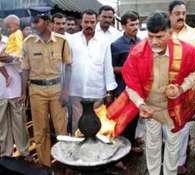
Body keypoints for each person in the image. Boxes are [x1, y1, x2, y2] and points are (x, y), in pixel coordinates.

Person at [108, 12, 195, 175]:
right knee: (152, 145)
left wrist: (181, 89)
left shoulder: (187, 51)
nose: (154, 42)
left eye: (159, 37)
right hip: (150, 108)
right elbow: (131, 85)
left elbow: (192, 75)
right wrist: (141, 104)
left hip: (175, 107)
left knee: (173, 146)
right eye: (150, 36)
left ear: (170, 33)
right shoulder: (137, 53)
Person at [21, 13, 72, 167]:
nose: (33, 25)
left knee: (61, 129)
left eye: (37, 21)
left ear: (48, 22)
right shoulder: (28, 42)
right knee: (40, 130)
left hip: (57, 89)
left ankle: (65, 163)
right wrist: (23, 93)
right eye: (33, 22)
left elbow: (68, 66)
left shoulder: (62, 41)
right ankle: (45, 165)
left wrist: (65, 91)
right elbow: (25, 69)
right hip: (36, 90)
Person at [168, 1, 195, 173]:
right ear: (169, 14)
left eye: (183, 13)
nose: (181, 16)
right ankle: (167, 158)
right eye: (177, 13)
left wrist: (190, 79)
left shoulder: (193, 34)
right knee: (164, 125)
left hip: (185, 90)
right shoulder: (162, 32)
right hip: (163, 90)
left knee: (183, 125)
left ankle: (180, 161)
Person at [67, 9, 117, 133]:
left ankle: (94, 150)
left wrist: (109, 91)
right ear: (81, 23)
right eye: (86, 22)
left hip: (97, 91)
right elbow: (66, 66)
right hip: (76, 90)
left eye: (92, 22)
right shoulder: (71, 40)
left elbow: (107, 66)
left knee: (95, 123)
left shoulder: (104, 42)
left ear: (96, 22)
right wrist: (65, 88)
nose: (89, 25)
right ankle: (77, 149)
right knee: (77, 123)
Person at [111, 10, 142, 156]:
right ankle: (120, 148)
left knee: (135, 117)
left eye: (137, 24)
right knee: (123, 119)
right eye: (132, 24)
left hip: (138, 89)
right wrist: (128, 69)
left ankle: (130, 143)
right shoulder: (116, 45)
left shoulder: (142, 43)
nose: (135, 27)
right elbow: (111, 68)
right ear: (123, 26)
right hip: (123, 89)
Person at [0, 14, 30, 159]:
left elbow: (21, 60)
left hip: (16, 89)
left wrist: (11, 58)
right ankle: (5, 153)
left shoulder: (12, 40)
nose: (5, 29)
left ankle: (24, 152)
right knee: (1, 124)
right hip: (0, 92)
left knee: (20, 122)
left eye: (6, 26)